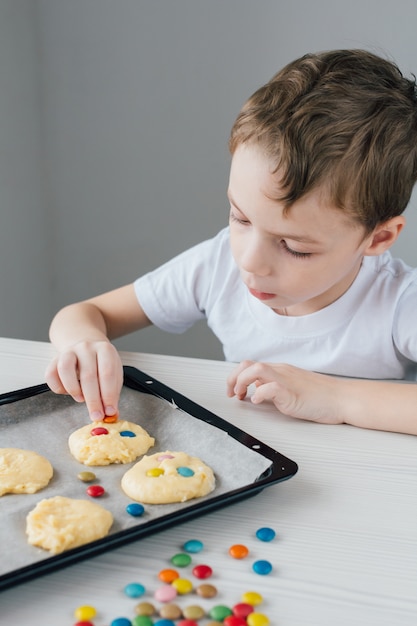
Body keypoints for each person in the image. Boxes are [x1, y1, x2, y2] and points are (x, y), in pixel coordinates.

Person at [45, 49, 417, 435]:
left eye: (295, 247)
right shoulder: (218, 265)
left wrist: (335, 397)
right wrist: (85, 343)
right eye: (240, 218)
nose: (250, 262)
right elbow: (83, 314)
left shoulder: (399, 303)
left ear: (379, 238)